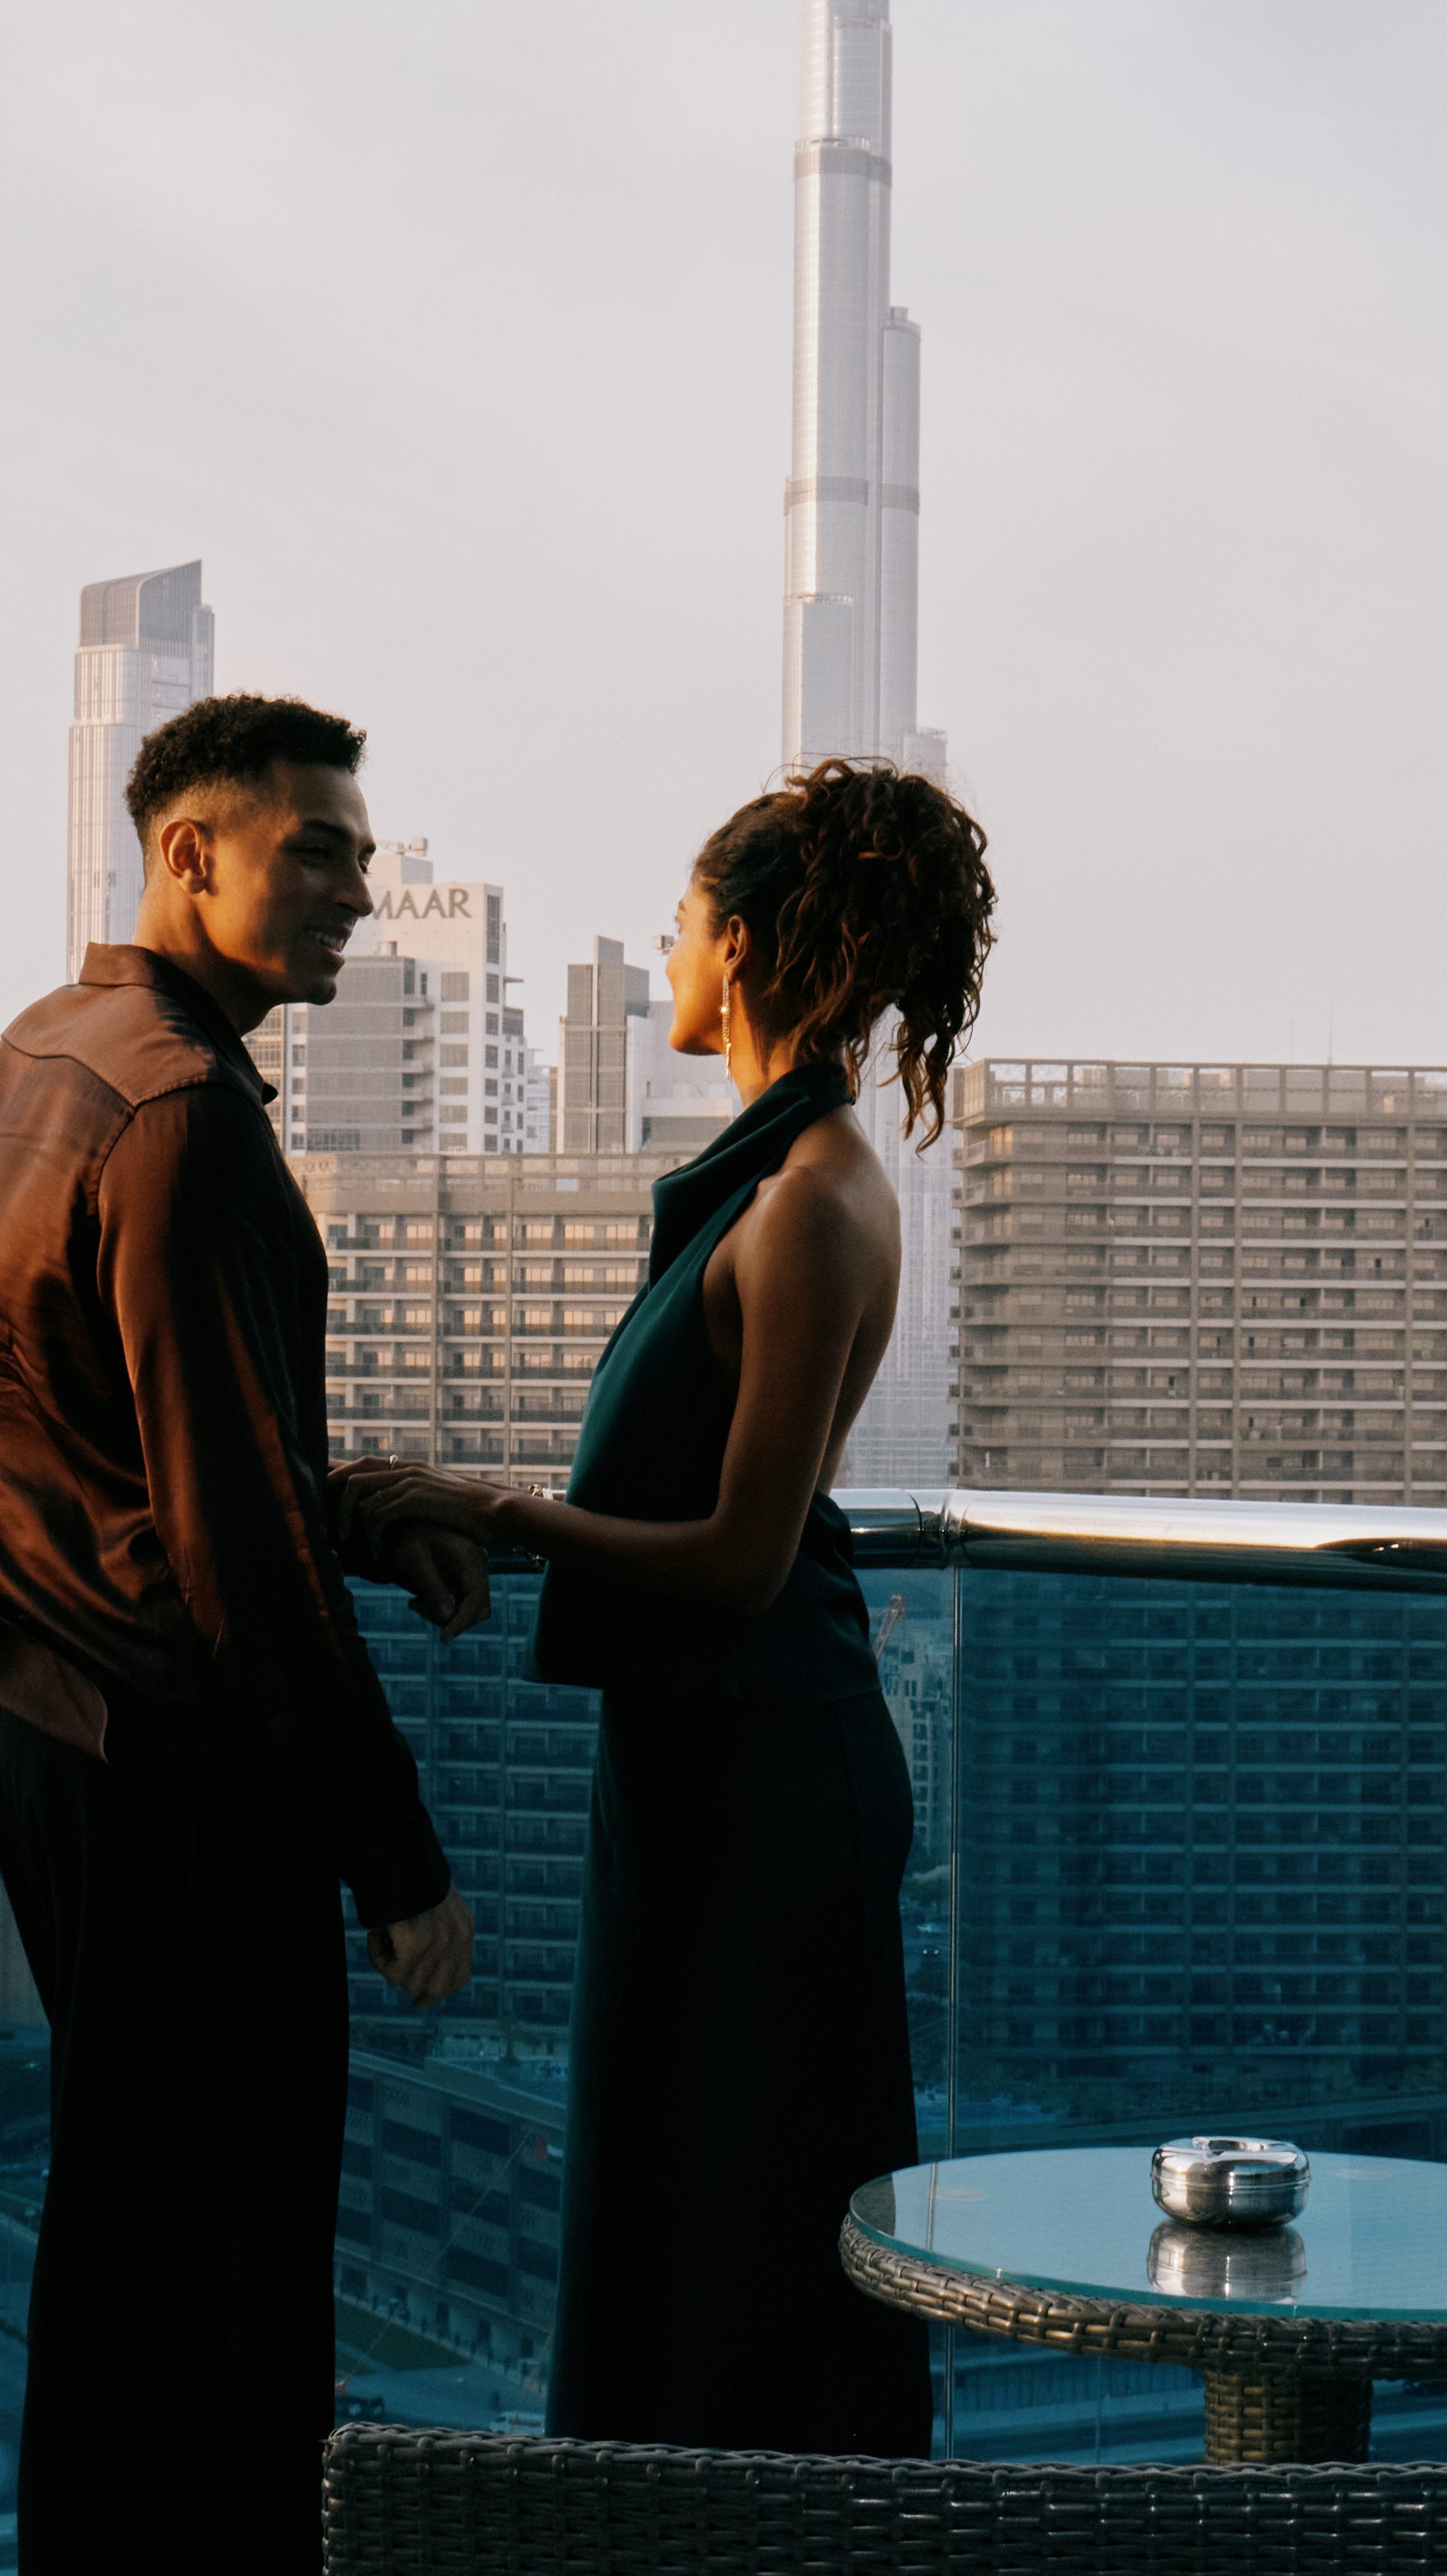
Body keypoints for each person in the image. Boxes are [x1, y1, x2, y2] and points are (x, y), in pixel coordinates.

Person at [0, 691, 482, 2571]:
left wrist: (346, 1501)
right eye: (315, 851)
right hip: (169, 1754)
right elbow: (229, 1540)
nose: (352, 898)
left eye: (362, 862)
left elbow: (83, 1431)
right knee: (220, 2274)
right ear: (188, 850)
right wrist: (395, 1855)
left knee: (131, 2242)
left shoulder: (50, 1048)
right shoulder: (178, 1119)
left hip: (43, 1706)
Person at [353, 756, 996, 2454]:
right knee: (681, 2198)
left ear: (761, 941)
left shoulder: (809, 1200)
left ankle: (773, 2539)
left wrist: (491, 1505)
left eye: (686, 919)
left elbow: (738, 1553)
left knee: (746, 2223)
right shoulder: (770, 1179)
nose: (666, 948)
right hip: (711, 1758)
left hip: (766, 1773)